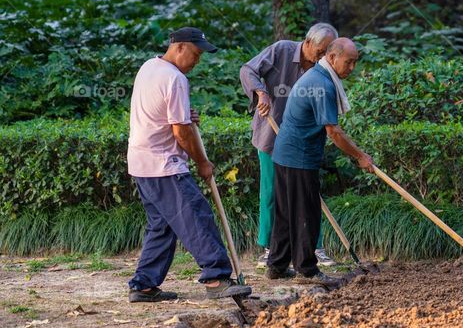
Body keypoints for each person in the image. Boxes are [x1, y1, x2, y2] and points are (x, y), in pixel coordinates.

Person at [127, 27, 251, 303]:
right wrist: (202, 162)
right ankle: (216, 278)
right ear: (180, 47)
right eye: (196, 54)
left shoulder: (149, 67)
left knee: (162, 225)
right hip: (164, 165)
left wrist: (183, 114)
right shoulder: (175, 78)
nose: (198, 61)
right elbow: (181, 132)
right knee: (197, 217)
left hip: (140, 162)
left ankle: (144, 285)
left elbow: (161, 112)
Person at [267, 37, 375, 281]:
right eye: (349, 62)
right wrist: (361, 157)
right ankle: (306, 270)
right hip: (298, 156)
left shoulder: (317, 76)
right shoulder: (322, 84)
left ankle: (277, 265)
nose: (352, 68)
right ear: (333, 57)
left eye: (355, 63)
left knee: (285, 211)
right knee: (306, 212)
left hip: (284, 152)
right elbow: (334, 132)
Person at [239, 23, 339, 269]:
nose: (323, 55)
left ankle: (314, 247)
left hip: (303, 141)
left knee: (308, 194)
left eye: (328, 51)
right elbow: (248, 70)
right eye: (321, 49)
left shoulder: (322, 68)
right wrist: (261, 93)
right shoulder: (281, 50)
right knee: (273, 193)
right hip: (271, 133)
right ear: (308, 42)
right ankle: (269, 247)